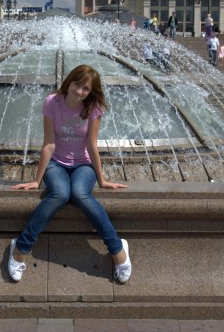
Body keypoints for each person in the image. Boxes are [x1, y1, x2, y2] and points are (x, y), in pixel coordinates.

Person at [9, 65, 132, 284]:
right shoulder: (52, 102)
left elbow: (92, 146)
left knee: (79, 193)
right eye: (77, 84)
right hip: (56, 163)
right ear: (69, 81)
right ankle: (20, 248)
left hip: (83, 165)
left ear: (91, 92)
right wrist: (37, 180)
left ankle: (117, 248)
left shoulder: (93, 108)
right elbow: (49, 143)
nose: (79, 91)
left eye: (86, 88)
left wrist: (102, 179)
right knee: (60, 194)